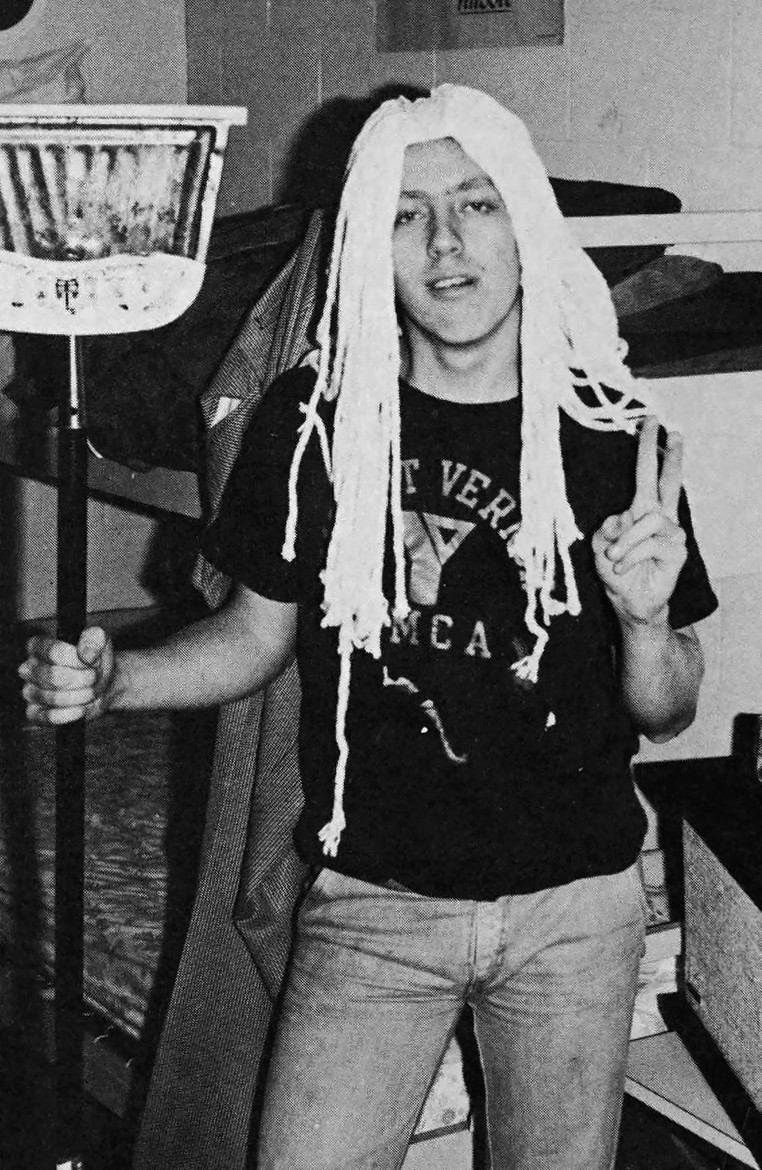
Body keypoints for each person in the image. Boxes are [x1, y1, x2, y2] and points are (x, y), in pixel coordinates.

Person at [20, 85, 717, 1170]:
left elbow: (667, 711)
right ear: (363, 247)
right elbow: (256, 638)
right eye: (405, 212)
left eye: (476, 204)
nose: (444, 242)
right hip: (373, 906)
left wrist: (644, 619)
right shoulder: (313, 422)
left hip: (574, 910)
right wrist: (121, 684)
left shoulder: (608, 433)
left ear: (524, 227)